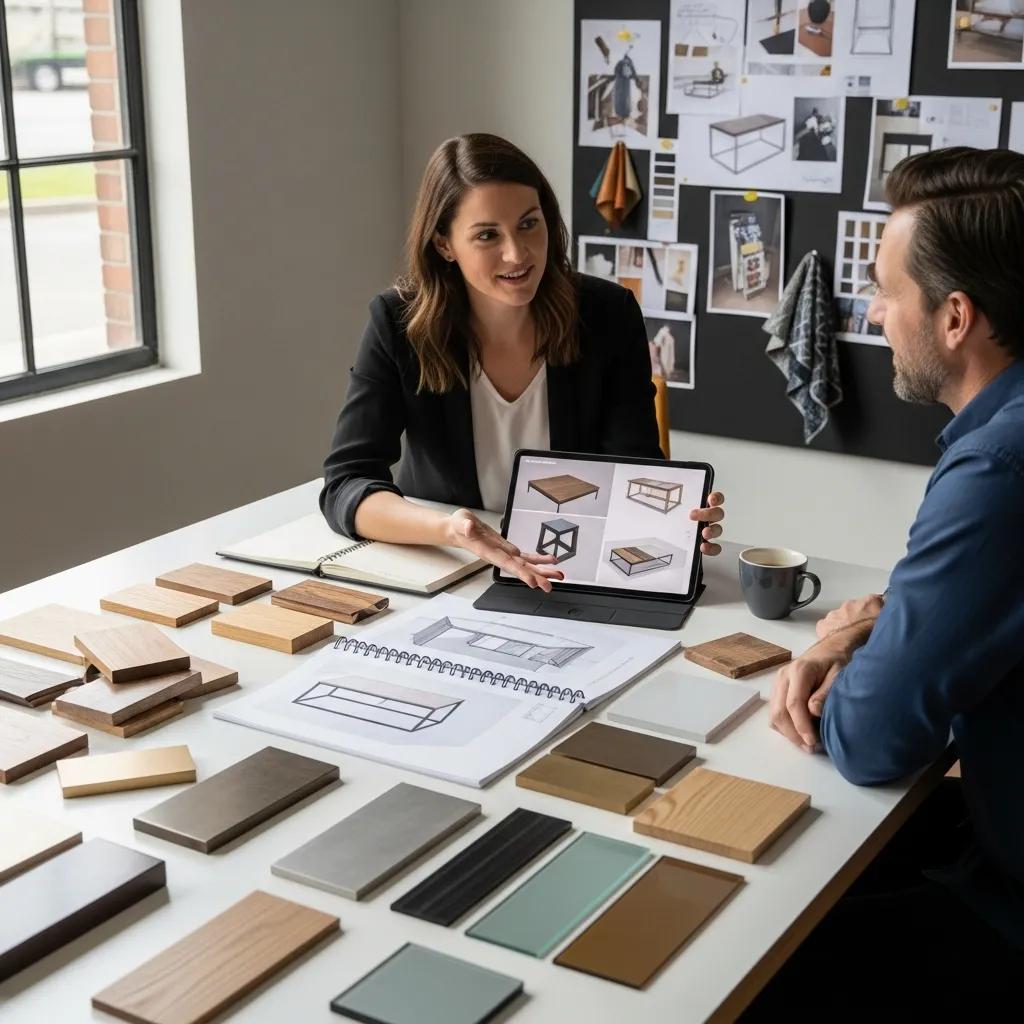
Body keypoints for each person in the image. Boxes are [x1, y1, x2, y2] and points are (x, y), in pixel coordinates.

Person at [748, 147, 1024, 1016]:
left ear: (954, 318)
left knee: (747, 955)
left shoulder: (998, 468)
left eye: (884, 288)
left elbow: (870, 739)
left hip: (1012, 900)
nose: (870, 311)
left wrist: (834, 641)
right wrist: (883, 623)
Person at [320, 133, 725, 590]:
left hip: (572, 568)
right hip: (451, 570)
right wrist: (453, 531)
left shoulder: (607, 315)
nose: (517, 254)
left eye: (530, 224)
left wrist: (675, 519)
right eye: (487, 235)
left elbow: (634, 470)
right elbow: (347, 484)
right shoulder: (397, 323)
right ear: (444, 244)